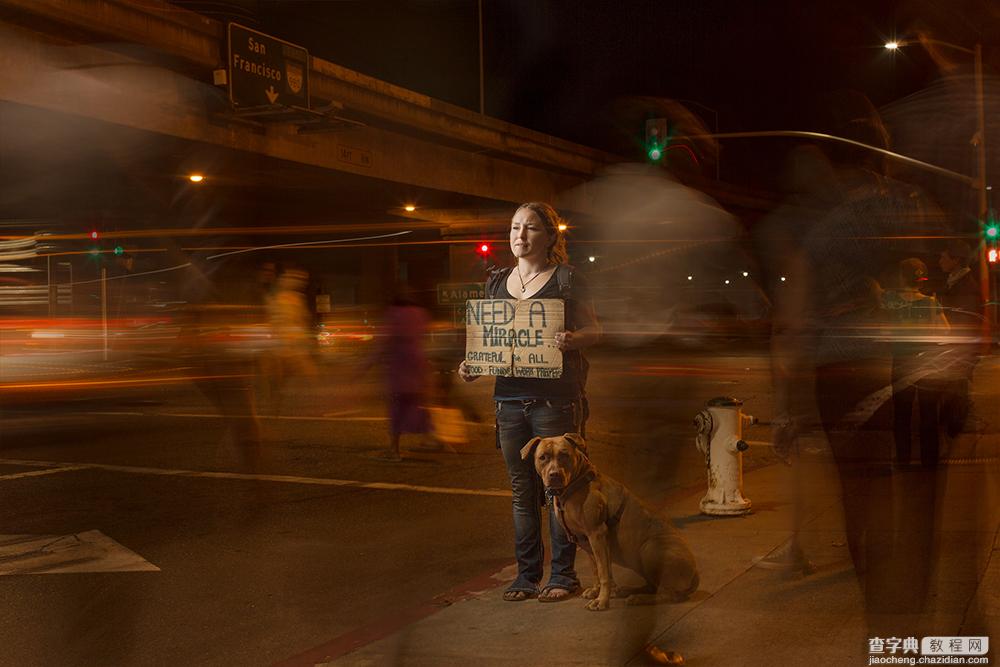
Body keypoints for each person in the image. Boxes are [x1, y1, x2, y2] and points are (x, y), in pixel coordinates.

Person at [459, 202, 601, 602]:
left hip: (554, 401)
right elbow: (491, 342)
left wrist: (575, 339)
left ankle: (562, 575)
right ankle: (526, 576)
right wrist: (472, 365)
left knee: (560, 490)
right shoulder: (496, 281)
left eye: (531, 228)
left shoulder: (569, 280)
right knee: (522, 493)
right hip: (508, 401)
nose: (520, 236)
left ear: (549, 236)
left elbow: (596, 330)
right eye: (515, 227)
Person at [883, 257, 950, 467]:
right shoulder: (931, 302)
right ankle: (929, 461)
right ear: (921, 279)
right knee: (928, 412)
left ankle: (903, 459)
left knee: (902, 413)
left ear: (902, 277)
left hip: (902, 361)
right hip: (927, 363)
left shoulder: (890, 300)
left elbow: (882, 327)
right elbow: (946, 330)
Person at [936, 240, 983, 435]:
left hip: (960, 348)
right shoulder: (956, 281)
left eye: (943, 256)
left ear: (956, 260)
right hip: (958, 347)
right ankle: (952, 423)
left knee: (958, 388)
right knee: (955, 387)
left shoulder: (966, 286)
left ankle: (955, 427)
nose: (940, 260)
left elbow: (965, 322)